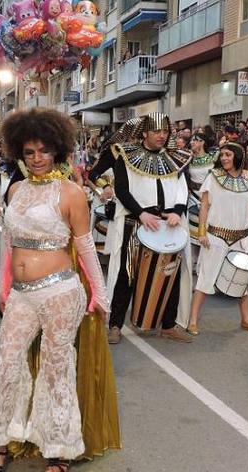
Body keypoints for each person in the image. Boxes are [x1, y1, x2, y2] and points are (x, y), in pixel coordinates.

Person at [0, 108, 116, 472]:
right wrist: (2, 286)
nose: (36, 159)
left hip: (60, 292)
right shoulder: (15, 190)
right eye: (29, 153)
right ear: (19, 155)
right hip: (21, 294)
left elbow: (86, 248)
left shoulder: (72, 193)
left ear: (56, 150)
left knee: (57, 368)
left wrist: (100, 294)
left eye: (43, 151)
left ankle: (57, 445)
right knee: (6, 363)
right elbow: (7, 241)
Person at [105, 113, 192, 344]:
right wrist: (141, 213)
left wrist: (178, 211)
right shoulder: (126, 156)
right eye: (156, 132)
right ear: (145, 133)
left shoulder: (175, 159)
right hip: (137, 224)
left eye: (165, 132)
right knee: (127, 275)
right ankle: (115, 324)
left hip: (168, 226)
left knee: (170, 274)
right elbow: (122, 190)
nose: (162, 136)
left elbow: (183, 190)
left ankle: (169, 325)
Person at [187, 142, 248, 335]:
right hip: (216, 236)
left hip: (242, 237)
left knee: (243, 281)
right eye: (222, 155)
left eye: (228, 155)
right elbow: (204, 206)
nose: (224, 158)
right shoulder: (214, 177)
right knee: (205, 279)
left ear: (238, 156)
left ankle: (246, 320)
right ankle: (193, 320)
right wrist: (201, 233)